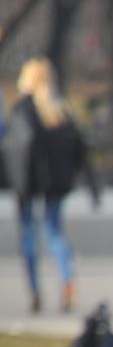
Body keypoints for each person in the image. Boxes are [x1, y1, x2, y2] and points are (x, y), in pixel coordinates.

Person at [4, 56, 100, 314]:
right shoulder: (60, 110)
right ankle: (67, 278)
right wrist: (92, 186)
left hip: (27, 185)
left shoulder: (21, 110)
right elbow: (81, 151)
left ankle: (35, 291)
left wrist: (17, 183)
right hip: (56, 186)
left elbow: (15, 149)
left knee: (28, 235)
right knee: (54, 231)